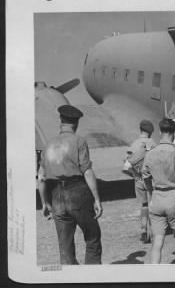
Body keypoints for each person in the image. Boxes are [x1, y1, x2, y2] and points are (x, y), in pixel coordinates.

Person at [37, 105, 102, 264]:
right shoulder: (79, 141)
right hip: (77, 192)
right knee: (92, 238)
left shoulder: (49, 144)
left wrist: (44, 202)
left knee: (65, 247)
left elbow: (41, 178)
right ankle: (92, 278)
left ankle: (70, 279)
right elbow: (87, 171)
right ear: (76, 123)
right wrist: (97, 199)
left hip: (56, 196)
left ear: (60, 121)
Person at [142, 118, 175, 264]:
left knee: (157, 241)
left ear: (160, 132)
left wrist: (151, 192)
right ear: (174, 132)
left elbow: (145, 177)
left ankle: (154, 277)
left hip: (157, 197)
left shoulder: (150, 153)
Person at [124, 120, 156, 243]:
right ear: (150, 131)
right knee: (152, 205)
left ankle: (143, 228)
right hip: (150, 179)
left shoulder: (134, 144)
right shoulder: (152, 143)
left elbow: (126, 164)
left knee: (144, 205)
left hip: (138, 179)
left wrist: (135, 175)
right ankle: (152, 232)